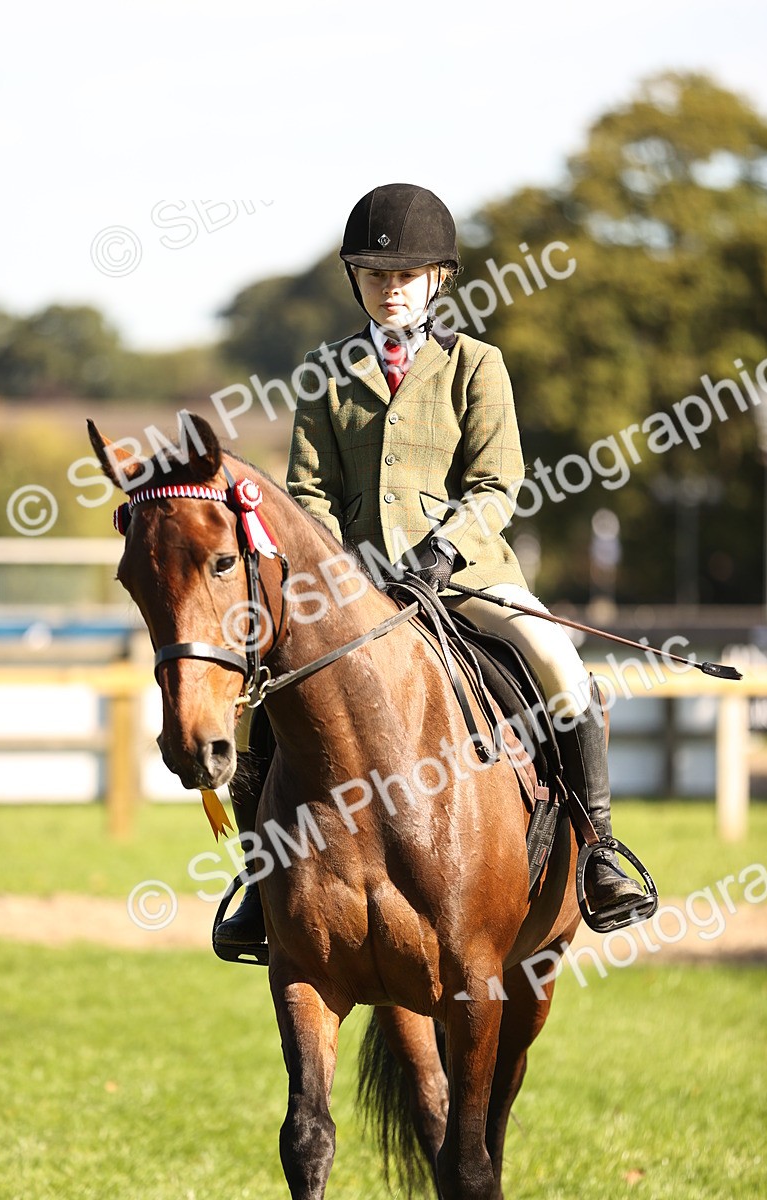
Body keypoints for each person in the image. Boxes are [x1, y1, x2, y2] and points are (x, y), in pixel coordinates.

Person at [215, 183, 648, 959]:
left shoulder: (476, 366)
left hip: (466, 572)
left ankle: (602, 849)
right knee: (263, 701)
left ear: (436, 279)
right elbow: (307, 491)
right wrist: (352, 566)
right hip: (351, 587)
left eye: (406, 275)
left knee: (560, 664)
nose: (391, 287)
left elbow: (496, 482)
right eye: (376, 274)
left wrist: (440, 553)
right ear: (357, 280)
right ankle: (259, 878)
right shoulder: (324, 371)